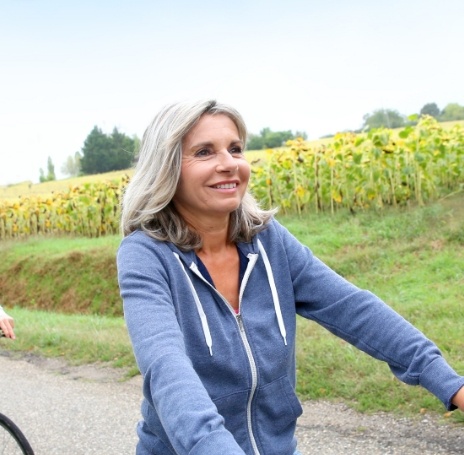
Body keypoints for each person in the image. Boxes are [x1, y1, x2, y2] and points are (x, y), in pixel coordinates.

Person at [117, 99, 464, 455]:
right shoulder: (145, 255)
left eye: (235, 149)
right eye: (204, 152)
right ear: (167, 167)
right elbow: (166, 367)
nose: (229, 164)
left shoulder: (267, 240)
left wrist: (452, 384)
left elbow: (353, 309)